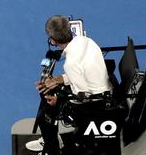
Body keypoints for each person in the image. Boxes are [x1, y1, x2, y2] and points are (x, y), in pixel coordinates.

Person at [26, 15, 112, 155]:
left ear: (53, 41)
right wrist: (56, 81)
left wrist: (58, 101)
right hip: (101, 89)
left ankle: (52, 148)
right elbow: (81, 73)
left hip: (94, 104)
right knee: (48, 90)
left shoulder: (71, 63)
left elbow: (81, 97)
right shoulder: (86, 41)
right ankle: (48, 140)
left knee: (47, 107)